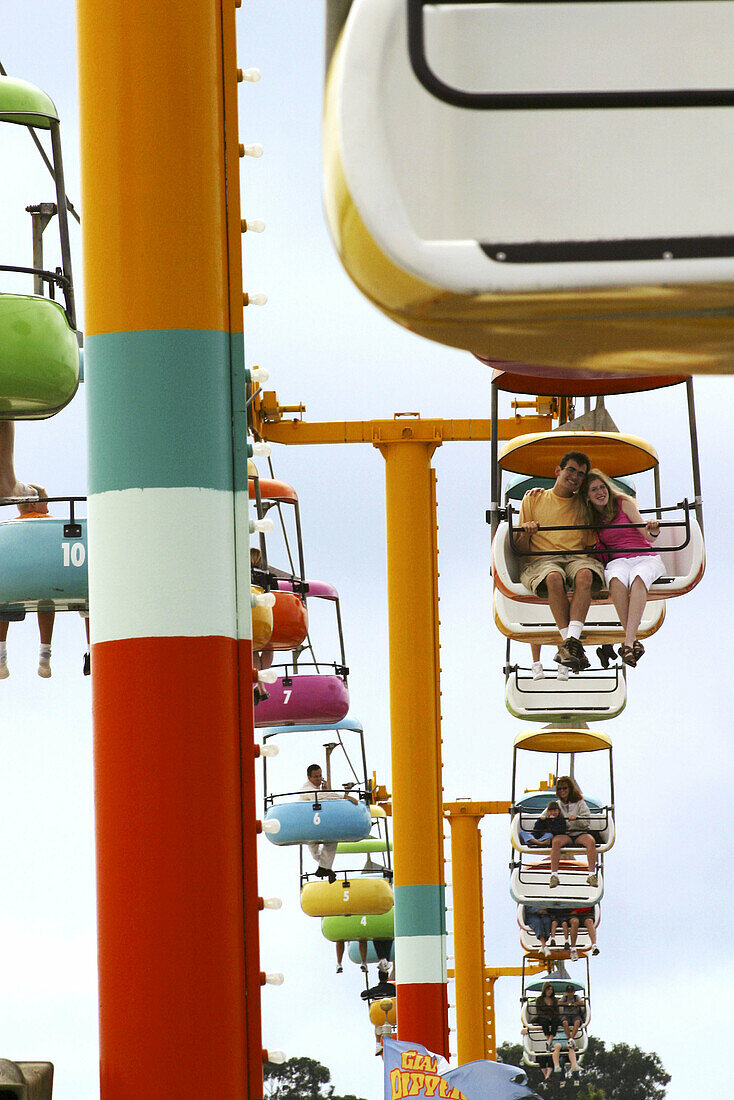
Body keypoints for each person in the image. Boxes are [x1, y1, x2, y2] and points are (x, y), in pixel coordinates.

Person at [515, 452, 605, 676]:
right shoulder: (534, 499)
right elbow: (520, 548)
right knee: (554, 577)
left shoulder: (584, 505)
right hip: (543, 560)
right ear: (558, 470)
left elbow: (608, 502)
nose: (574, 477)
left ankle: (569, 645)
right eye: (571, 470)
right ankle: (571, 643)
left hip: (575, 559)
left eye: (580, 474)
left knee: (585, 574)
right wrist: (527, 532)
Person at [583, 468, 664, 667]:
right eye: (594, 490)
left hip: (643, 556)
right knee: (616, 579)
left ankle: (628, 642)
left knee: (639, 578)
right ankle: (632, 641)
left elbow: (647, 536)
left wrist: (653, 530)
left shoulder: (623, 504)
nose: (600, 492)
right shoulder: (592, 518)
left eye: (603, 487)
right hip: (619, 560)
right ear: (588, 496)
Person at [0, 486, 55, 678]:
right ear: (34, 503)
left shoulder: (6, 528)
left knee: (3, 598)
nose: (47, 509)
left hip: (13, 581)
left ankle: (1, 656)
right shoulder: (51, 525)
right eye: (46, 503)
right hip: (43, 583)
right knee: (48, 600)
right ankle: (45, 655)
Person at [300, 764, 358, 884]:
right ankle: (325, 868)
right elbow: (321, 797)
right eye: (315, 777)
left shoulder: (318, 789)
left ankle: (324, 868)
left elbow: (324, 796)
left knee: (331, 840)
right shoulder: (307, 788)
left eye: (320, 776)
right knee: (313, 847)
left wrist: (326, 790)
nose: (318, 779)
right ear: (309, 777)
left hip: (320, 822)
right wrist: (344, 796)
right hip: (308, 822)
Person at [549, 777, 598, 888]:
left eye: (565, 788)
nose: (562, 791)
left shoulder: (580, 803)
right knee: (556, 841)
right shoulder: (557, 804)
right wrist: (546, 817)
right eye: (560, 788)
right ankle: (554, 876)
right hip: (566, 834)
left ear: (570, 789)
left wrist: (577, 818)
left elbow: (587, 821)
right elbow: (546, 814)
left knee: (590, 841)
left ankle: (591, 875)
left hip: (579, 832)